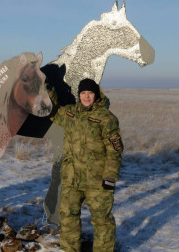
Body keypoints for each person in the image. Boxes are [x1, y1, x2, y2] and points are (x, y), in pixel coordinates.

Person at [50, 78, 123, 252]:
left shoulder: (106, 118)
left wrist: (110, 178)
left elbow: (115, 151)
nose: (86, 97)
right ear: (79, 95)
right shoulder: (69, 113)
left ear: (96, 94)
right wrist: (49, 90)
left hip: (97, 181)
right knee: (68, 217)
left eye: (90, 93)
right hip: (72, 179)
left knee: (102, 221)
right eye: (83, 93)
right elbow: (52, 112)